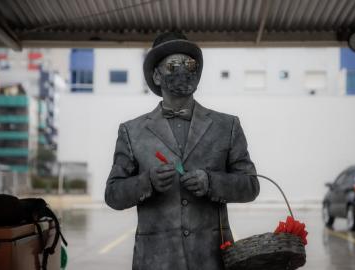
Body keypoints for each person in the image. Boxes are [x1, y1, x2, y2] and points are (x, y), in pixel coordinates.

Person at [104, 32, 260, 270]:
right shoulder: (131, 132)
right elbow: (113, 194)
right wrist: (148, 182)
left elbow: (250, 186)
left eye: (189, 64)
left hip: (214, 261)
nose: (183, 71)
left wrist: (211, 182)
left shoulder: (227, 126)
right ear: (156, 75)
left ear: (197, 73)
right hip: (155, 261)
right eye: (173, 65)